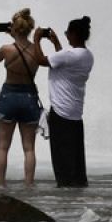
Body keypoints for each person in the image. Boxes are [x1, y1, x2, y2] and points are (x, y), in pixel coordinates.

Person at [0, 7, 47, 187]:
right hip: (29, 97)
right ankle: (29, 184)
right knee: (29, 148)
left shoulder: (6, 49)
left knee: (3, 146)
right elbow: (37, 56)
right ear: (29, 29)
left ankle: (1, 185)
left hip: (9, 96)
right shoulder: (36, 51)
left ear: (14, 29)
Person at [41, 16, 94, 187]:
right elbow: (62, 61)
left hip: (60, 111)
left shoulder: (69, 55)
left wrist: (35, 40)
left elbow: (40, 60)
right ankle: (78, 192)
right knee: (76, 159)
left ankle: (66, 195)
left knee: (61, 160)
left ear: (74, 34)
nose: (66, 36)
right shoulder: (87, 55)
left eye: (67, 33)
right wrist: (56, 43)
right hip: (76, 114)